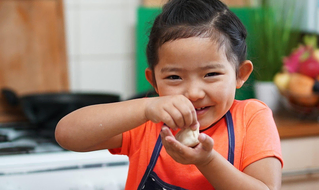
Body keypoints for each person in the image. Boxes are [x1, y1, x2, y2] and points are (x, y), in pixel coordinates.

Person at [55, 0, 283, 189]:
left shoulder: (252, 118)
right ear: (153, 80)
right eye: (174, 77)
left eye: (211, 74)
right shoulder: (146, 121)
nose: (193, 93)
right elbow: (66, 135)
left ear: (240, 74)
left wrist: (208, 161)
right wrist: (144, 108)